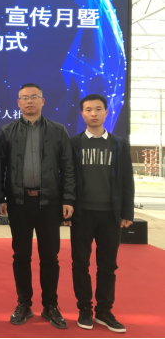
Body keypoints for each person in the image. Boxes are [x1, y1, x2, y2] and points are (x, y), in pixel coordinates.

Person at [0, 83, 75, 330]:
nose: (29, 101)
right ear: (18, 103)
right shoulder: (7, 131)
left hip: (49, 203)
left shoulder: (58, 130)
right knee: (21, 255)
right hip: (19, 202)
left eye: (34, 97)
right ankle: (24, 304)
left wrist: (68, 199)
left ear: (43, 101)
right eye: (24, 97)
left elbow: (68, 168)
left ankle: (50, 305)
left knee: (50, 256)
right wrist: (0, 198)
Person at [70, 94, 134, 334]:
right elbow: (67, 178)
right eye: (88, 109)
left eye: (98, 109)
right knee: (80, 264)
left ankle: (104, 311)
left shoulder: (119, 144)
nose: (93, 113)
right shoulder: (74, 143)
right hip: (82, 214)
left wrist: (127, 212)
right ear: (82, 113)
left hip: (110, 215)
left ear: (107, 112)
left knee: (108, 266)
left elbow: (127, 180)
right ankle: (85, 309)